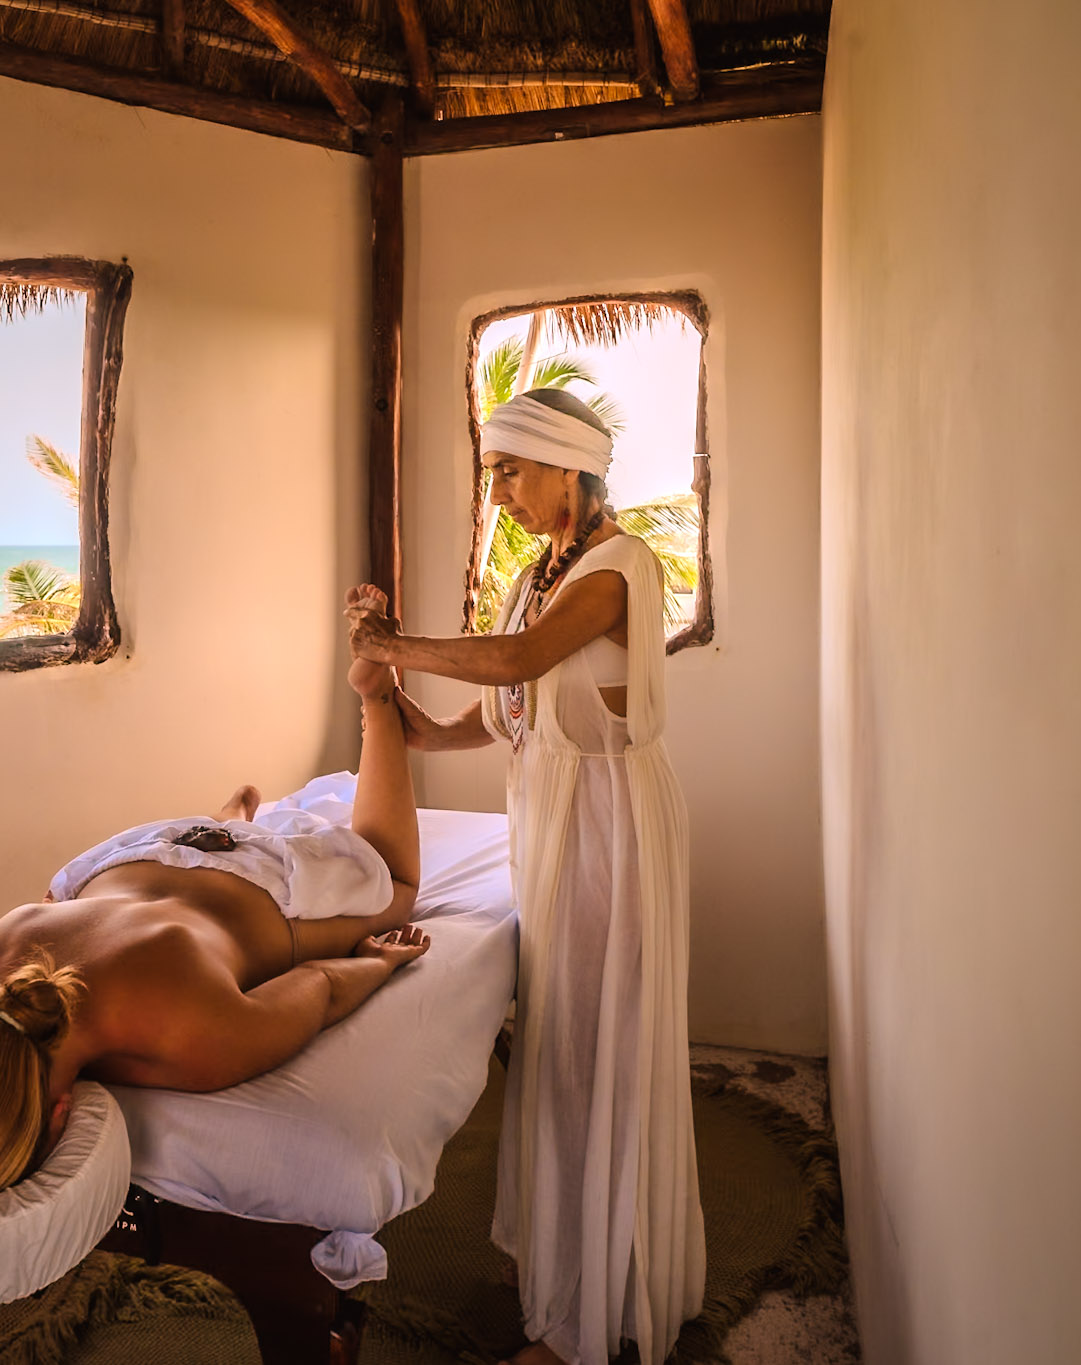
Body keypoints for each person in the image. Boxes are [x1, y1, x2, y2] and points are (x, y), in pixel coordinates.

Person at [344, 388, 704, 1365]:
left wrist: (395, 646)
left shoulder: (616, 568)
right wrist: (397, 705)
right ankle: (564, 1253)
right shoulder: (539, 575)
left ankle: (587, 1317)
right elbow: (502, 715)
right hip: (551, 821)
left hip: (607, 825)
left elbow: (514, 662)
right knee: (557, 1047)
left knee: (599, 1051)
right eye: (491, 471)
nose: (496, 489)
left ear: (566, 469)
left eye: (509, 470)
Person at [0, 658, 429, 1206]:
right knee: (106, 893)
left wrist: (379, 961)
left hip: (258, 881)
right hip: (126, 857)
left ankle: (378, 703)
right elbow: (46, 911)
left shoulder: (189, 1042)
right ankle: (229, 823)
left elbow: (321, 985)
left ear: (59, 1116)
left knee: (398, 886)